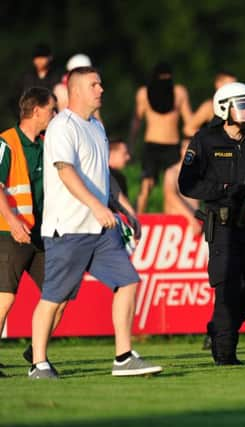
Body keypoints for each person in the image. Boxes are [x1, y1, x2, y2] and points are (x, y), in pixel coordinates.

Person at [29, 66, 162, 379]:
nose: (101, 89)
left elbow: (104, 178)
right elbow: (66, 172)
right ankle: (38, 364)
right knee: (54, 298)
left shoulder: (97, 128)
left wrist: (126, 210)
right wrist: (95, 207)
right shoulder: (63, 126)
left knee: (128, 281)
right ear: (76, 91)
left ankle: (123, 356)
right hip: (68, 229)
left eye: (101, 83)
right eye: (94, 84)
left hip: (101, 229)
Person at [178, 82, 245, 365]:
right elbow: (187, 183)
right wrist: (223, 188)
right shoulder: (205, 139)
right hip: (223, 226)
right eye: (241, 105)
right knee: (226, 287)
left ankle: (219, 328)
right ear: (224, 108)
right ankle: (225, 352)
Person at [0, 88, 67, 371]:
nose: (55, 115)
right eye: (52, 109)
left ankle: (35, 352)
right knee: (5, 298)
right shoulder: (6, 141)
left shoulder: (46, 144)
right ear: (37, 110)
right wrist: (13, 221)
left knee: (60, 294)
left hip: (42, 234)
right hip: (9, 231)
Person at [130, 61, 193, 213]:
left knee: (172, 187)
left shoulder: (179, 93)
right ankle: (136, 221)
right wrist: (130, 144)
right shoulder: (143, 94)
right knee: (146, 186)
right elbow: (136, 122)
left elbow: (189, 121)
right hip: (152, 146)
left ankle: (171, 221)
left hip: (173, 146)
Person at [9, 44, 62, 119]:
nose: (39, 60)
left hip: (51, 120)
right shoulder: (25, 78)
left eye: (42, 57)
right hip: (29, 119)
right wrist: (21, 115)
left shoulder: (57, 77)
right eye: (37, 58)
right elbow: (13, 99)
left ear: (50, 58)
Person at [162, 141, 201, 235]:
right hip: (175, 228)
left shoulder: (199, 175)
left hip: (194, 227)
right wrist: (191, 219)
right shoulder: (172, 172)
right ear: (182, 150)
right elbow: (170, 196)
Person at [183, 71, 237, 138]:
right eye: (230, 85)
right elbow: (188, 129)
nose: (234, 88)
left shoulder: (238, 106)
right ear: (218, 84)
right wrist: (210, 140)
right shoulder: (209, 106)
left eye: (235, 85)